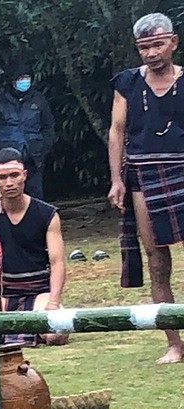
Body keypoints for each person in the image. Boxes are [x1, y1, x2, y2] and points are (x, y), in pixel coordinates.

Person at [108, 12, 184, 364]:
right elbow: (117, 131)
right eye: (144, 47)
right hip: (142, 173)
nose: (151, 53)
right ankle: (175, 343)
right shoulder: (126, 83)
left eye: (157, 44)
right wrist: (116, 179)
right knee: (157, 261)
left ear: (173, 41)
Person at [0, 148, 69, 347]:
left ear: (24, 176)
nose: (9, 183)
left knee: (56, 335)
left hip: (39, 292)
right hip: (1, 294)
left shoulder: (46, 213)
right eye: (2, 177)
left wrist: (53, 304)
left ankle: (29, 328)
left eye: (14, 175)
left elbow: (57, 263)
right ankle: (28, 329)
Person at [0, 62, 55, 200]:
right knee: (8, 194)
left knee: (35, 195)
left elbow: (48, 125)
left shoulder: (38, 99)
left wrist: (45, 147)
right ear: (12, 81)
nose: (24, 81)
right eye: (21, 78)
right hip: (6, 157)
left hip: (34, 156)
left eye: (27, 78)